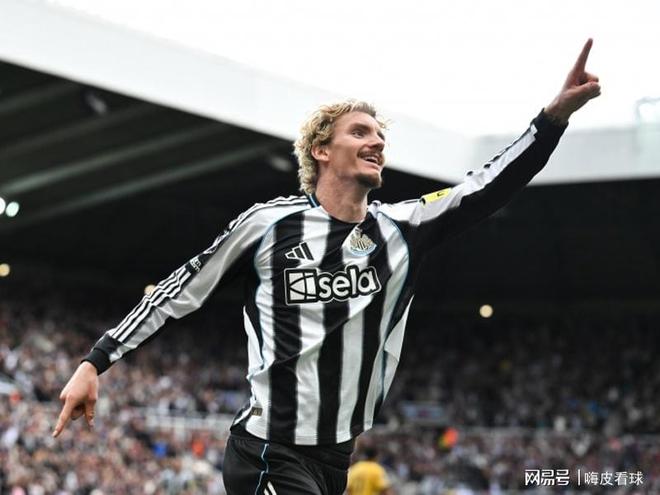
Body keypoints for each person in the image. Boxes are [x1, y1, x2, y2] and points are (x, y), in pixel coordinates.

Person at [53, 39, 600, 494]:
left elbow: (486, 187)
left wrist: (552, 119)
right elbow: (180, 290)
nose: (377, 142)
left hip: (336, 460)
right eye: (360, 132)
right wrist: (95, 361)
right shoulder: (267, 224)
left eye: (380, 136)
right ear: (320, 150)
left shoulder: (403, 227)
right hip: (268, 451)